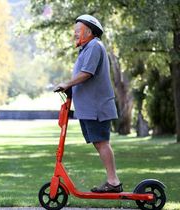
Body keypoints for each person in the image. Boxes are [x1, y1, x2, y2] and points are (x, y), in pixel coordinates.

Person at [53, 14, 122, 193]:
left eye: (79, 31)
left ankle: (113, 182)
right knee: (99, 143)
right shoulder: (87, 49)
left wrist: (67, 83)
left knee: (102, 143)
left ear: (89, 31)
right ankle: (112, 181)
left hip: (97, 107)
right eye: (74, 31)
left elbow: (87, 73)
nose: (75, 34)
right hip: (90, 108)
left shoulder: (94, 46)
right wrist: (69, 88)